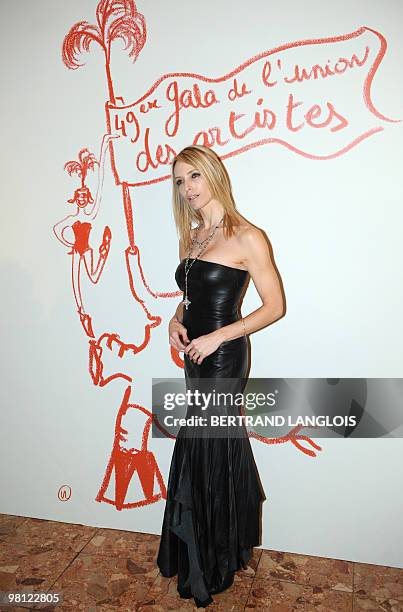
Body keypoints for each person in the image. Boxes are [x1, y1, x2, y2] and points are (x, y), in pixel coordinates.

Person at [156, 144, 285, 607]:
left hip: (225, 355)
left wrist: (218, 338)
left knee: (207, 443)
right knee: (209, 443)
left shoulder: (248, 236)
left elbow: (275, 307)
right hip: (194, 353)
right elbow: (189, 293)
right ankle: (216, 548)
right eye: (179, 181)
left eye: (193, 177)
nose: (187, 189)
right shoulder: (191, 237)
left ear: (213, 176)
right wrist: (175, 320)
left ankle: (210, 559)